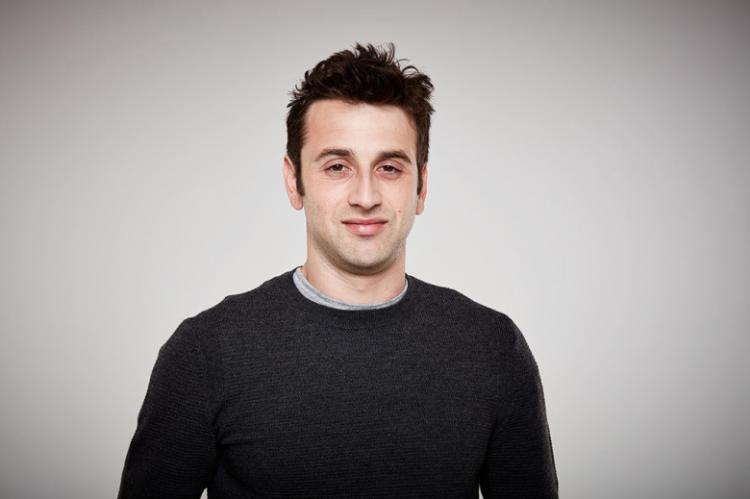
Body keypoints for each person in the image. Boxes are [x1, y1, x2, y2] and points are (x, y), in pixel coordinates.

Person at [118, 42, 558, 498]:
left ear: (422, 187)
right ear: (294, 182)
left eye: (389, 168)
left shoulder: (493, 348)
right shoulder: (206, 352)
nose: (365, 196)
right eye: (337, 167)